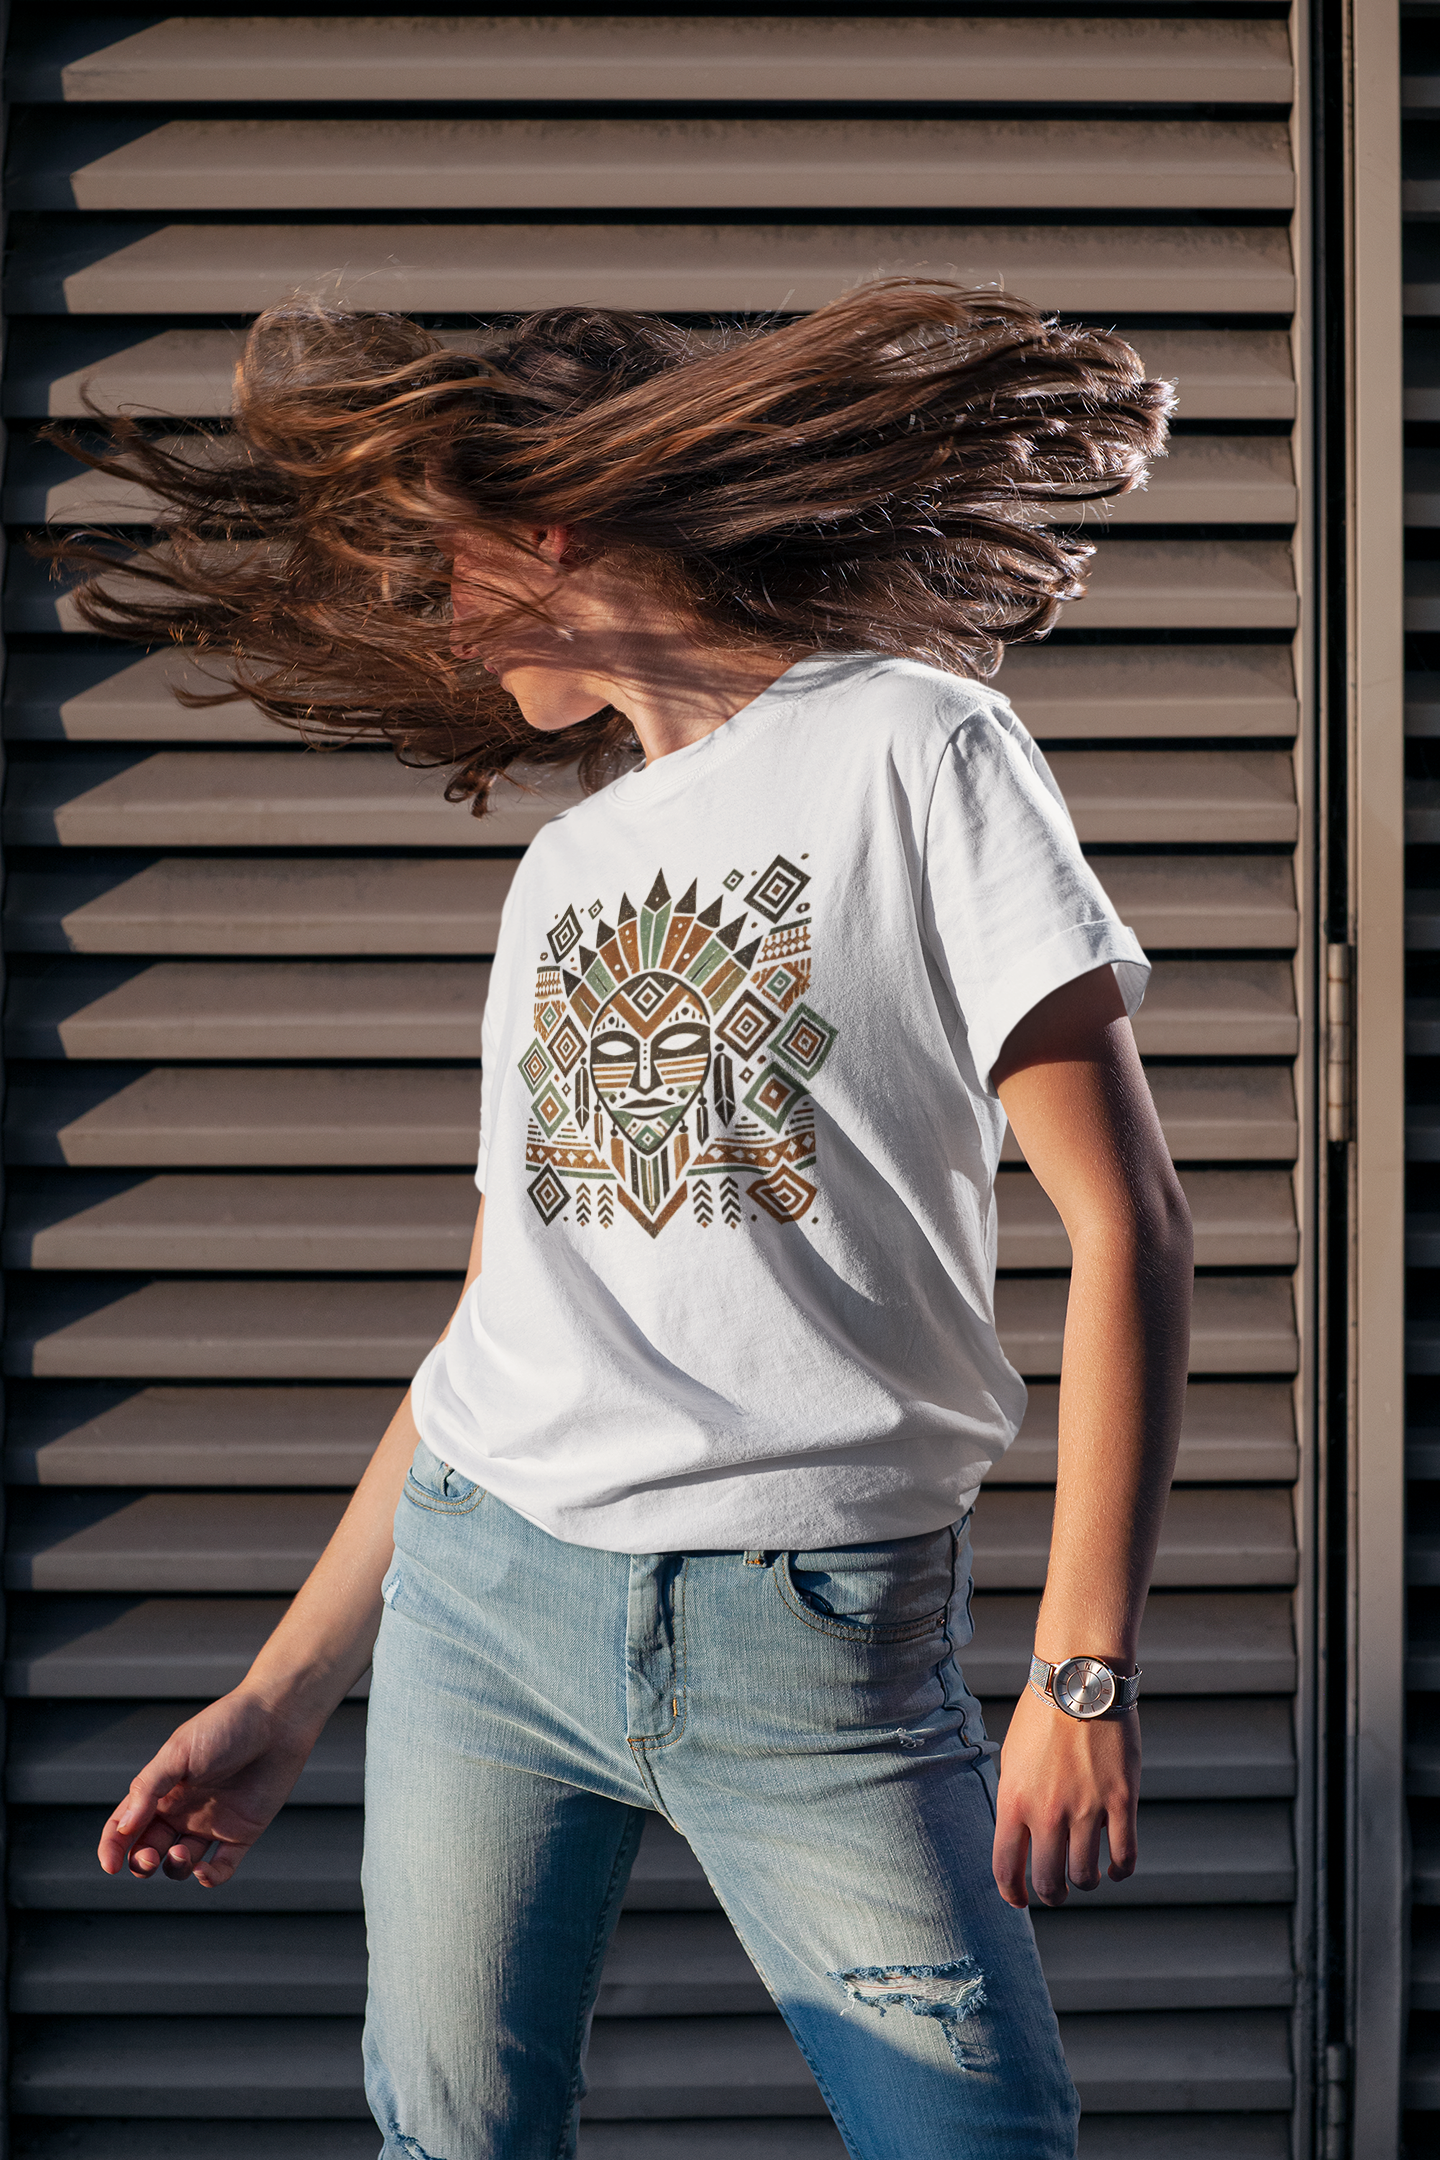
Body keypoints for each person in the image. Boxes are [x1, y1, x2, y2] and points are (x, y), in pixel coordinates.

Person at [64, 279, 1192, 2159]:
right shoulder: (566, 865)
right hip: (481, 1605)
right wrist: (280, 1694)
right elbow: (503, 1321)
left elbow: (1130, 1223)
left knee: (974, 2141)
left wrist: (1085, 1667)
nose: (437, 617)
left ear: (553, 524)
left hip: (807, 1632)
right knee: (450, 2141)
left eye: (445, 562)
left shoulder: (914, 747)